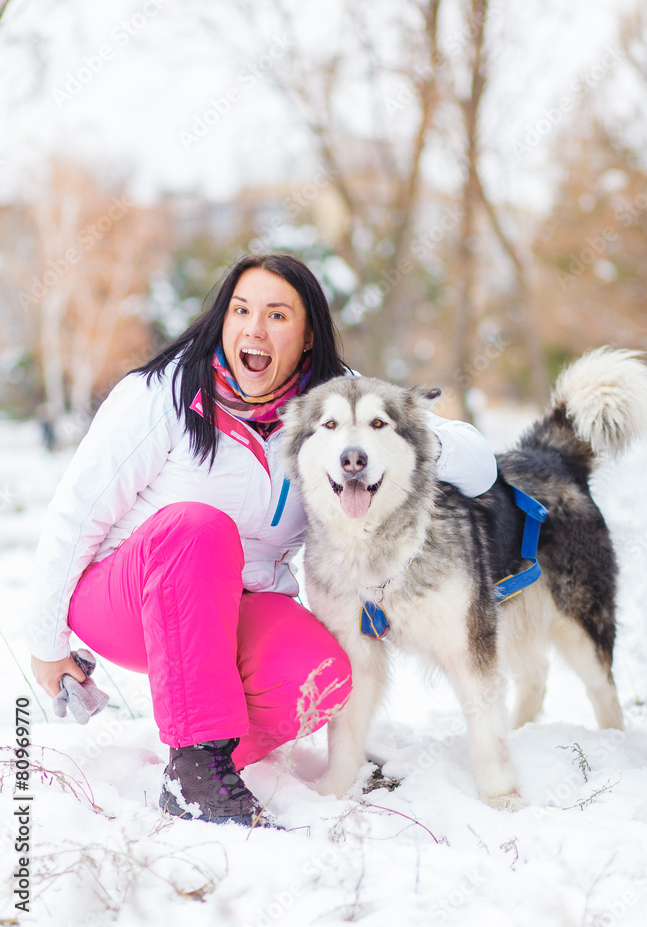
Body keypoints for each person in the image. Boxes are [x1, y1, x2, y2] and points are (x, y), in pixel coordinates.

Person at [28, 251, 498, 827]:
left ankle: (205, 749)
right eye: (240, 310)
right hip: (127, 594)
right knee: (197, 528)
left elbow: (480, 465)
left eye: (277, 315)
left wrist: (396, 439)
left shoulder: (335, 406)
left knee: (325, 677)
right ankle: (196, 769)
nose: (253, 328)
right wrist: (44, 639)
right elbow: (74, 514)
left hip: (237, 606)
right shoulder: (161, 395)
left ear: (306, 337)